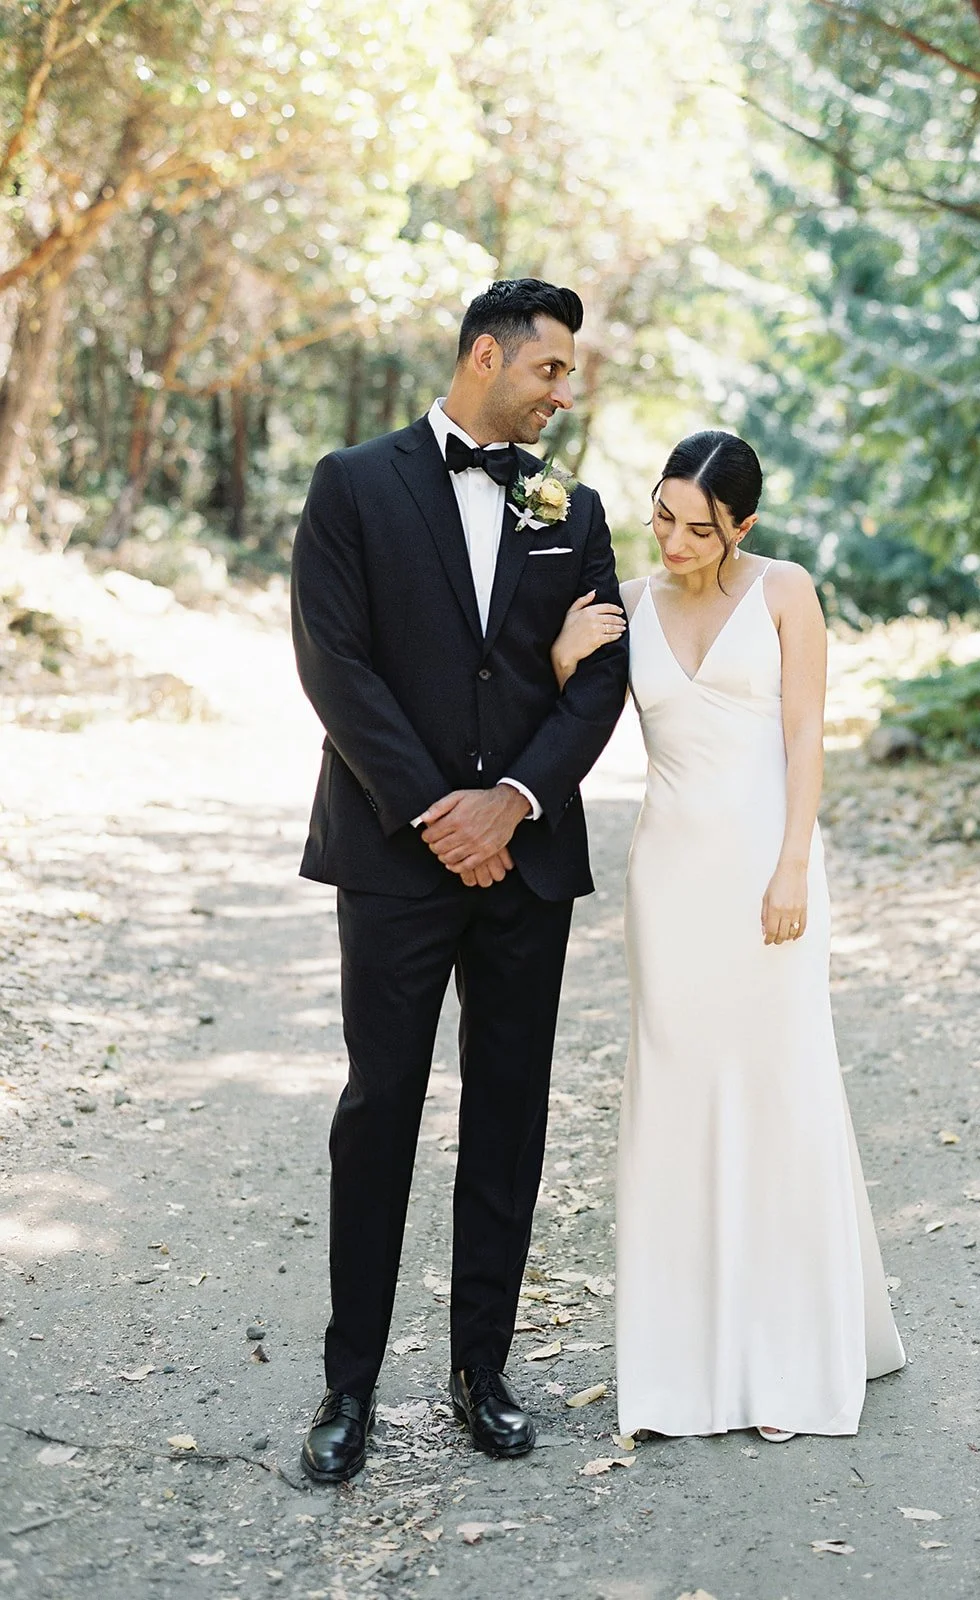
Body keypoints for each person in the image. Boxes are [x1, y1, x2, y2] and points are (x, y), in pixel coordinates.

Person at [290, 279, 629, 1481]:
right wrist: (439, 813)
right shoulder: (352, 485)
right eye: (549, 369)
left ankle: (482, 1372)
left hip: (525, 861)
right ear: (486, 355)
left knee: (508, 1114)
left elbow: (600, 678)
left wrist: (513, 801)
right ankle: (349, 1386)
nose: (563, 392)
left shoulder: (574, 508)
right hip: (396, 854)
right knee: (380, 1108)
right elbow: (333, 661)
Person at [551, 431, 904, 1441]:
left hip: (767, 871)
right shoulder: (629, 603)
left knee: (780, 1090)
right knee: (678, 1100)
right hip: (670, 882)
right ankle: (684, 1370)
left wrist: (792, 864)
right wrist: (563, 656)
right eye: (662, 517)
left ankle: (787, 1362)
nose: (673, 542)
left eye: (699, 529)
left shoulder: (785, 591)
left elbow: (804, 736)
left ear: (743, 526)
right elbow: (567, 725)